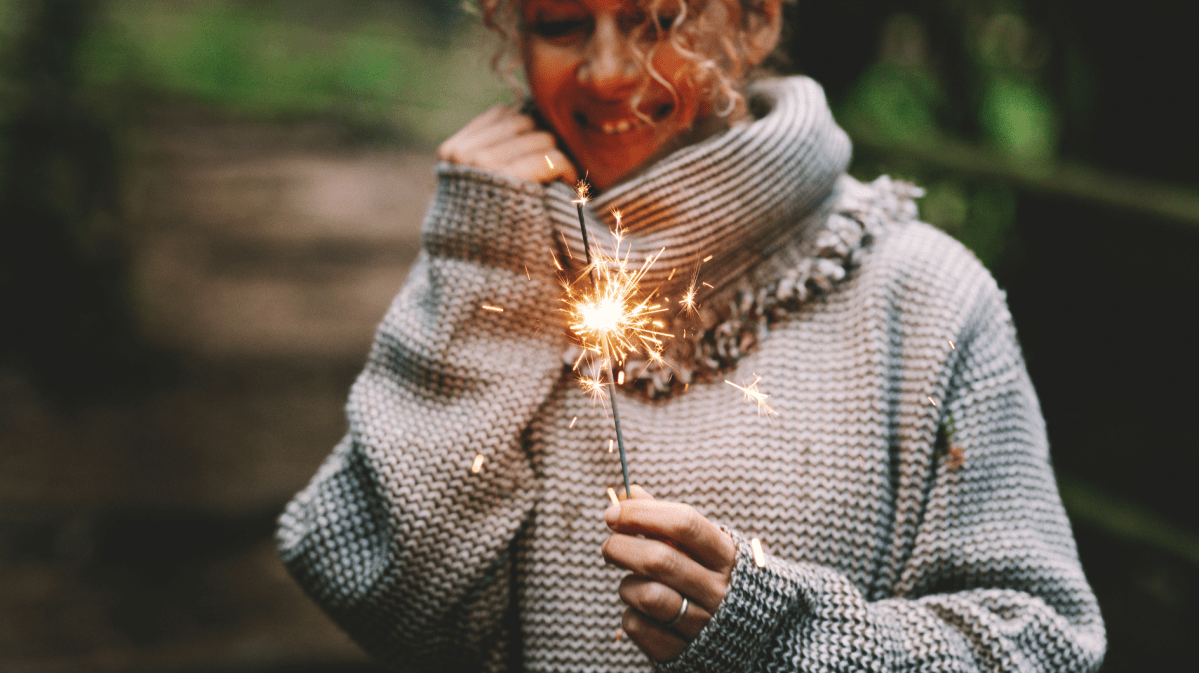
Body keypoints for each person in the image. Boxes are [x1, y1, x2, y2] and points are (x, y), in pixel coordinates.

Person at [276, 0, 1106, 671]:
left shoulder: (920, 293)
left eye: (654, 22)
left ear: (753, 24)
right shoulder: (494, 260)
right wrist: (476, 267)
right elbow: (384, 595)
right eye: (561, 25)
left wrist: (779, 634)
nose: (606, 72)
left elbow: (1039, 643)